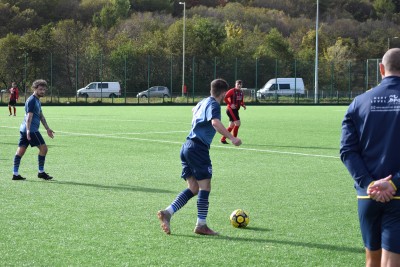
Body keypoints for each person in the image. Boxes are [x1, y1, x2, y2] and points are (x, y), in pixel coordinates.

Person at [157, 78, 242, 235]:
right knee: (205, 187)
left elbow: (193, 110)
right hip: (198, 148)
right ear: (223, 93)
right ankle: (201, 225)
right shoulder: (214, 105)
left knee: (194, 188)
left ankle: (167, 212)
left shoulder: (203, 102)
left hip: (187, 147)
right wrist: (232, 138)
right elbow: (215, 123)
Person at [340, 48, 400, 266]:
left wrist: (369, 183)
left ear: (381, 69)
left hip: (368, 195)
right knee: (392, 260)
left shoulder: (358, 102)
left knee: (372, 259)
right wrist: (393, 182)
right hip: (399, 194)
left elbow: (347, 150)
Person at [12, 79, 55, 181]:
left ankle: (15, 174)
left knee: (20, 151)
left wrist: (47, 129)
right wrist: (28, 130)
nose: (42, 91)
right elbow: (29, 116)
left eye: (44, 90)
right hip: (31, 130)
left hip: (24, 129)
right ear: (34, 89)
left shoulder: (37, 100)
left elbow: (40, 115)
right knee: (44, 149)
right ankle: (41, 172)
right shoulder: (32, 100)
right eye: (40, 89)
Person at [220, 80, 246, 144]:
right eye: (238, 84)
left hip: (236, 110)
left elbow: (241, 101)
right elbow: (225, 97)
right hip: (230, 110)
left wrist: (243, 105)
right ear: (235, 84)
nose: (239, 85)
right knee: (238, 123)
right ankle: (234, 139)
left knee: (231, 126)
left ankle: (223, 139)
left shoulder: (241, 92)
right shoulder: (232, 91)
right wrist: (230, 104)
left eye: (240, 84)